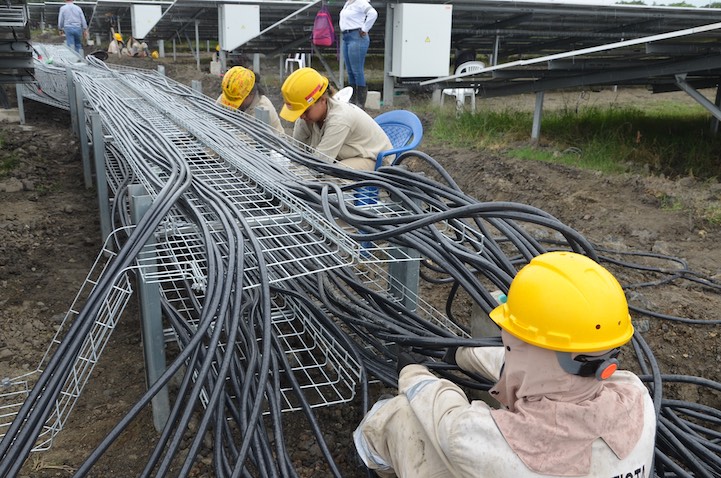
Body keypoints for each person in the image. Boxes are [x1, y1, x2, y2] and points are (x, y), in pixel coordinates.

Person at [354, 251, 657, 477]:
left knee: (402, 415)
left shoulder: (501, 444)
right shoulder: (638, 399)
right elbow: (543, 371)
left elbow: (446, 417)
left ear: (520, 343)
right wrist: (461, 353)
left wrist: (415, 372)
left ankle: (368, 459)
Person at [279, 67, 392, 170]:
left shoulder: (340, 119)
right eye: (298, 112)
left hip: (375, 159)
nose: (302, 116)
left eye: (305, 111)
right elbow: (296, 155)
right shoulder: (306, 118)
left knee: (331, 178)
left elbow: (320, 164)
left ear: (323, 99)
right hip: (345, 155)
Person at [217, 66, 284, 133]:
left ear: (250, 94)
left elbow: (246, 140)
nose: (232, 105)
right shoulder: (230, 94)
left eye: (236, 101)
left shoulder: (262, 111)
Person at [339, 0, 378, 108]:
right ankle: (352, 100)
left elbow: (373, 13)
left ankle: (360, 103)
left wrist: (365, 28)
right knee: (350, 70)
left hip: (357, 36)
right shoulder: (348, 3)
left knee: (357, 70)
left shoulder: (361, 2)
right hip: (346, 37)